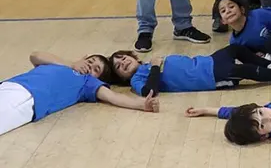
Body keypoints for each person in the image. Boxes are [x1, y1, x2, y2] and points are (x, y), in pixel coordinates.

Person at [1, 51, 159, 136]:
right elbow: (35, 56)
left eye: (96, 70)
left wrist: (141, 104)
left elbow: (113, 97)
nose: (90, 66)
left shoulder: (87, 82)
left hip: (27, 99)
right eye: (90, 61)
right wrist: (71, 62)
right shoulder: (63, 64)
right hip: (10, 85)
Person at [108, 45, 271, 95]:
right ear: (121, 77)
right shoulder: (138, 80)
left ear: (132, 56)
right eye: (118, 67)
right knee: (244, 70)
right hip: (211, 77)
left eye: (122, 58)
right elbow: (149, 92)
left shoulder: (147, 63)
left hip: (209, 61)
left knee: (235, 49)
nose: (122, 63)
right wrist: (154, 66)